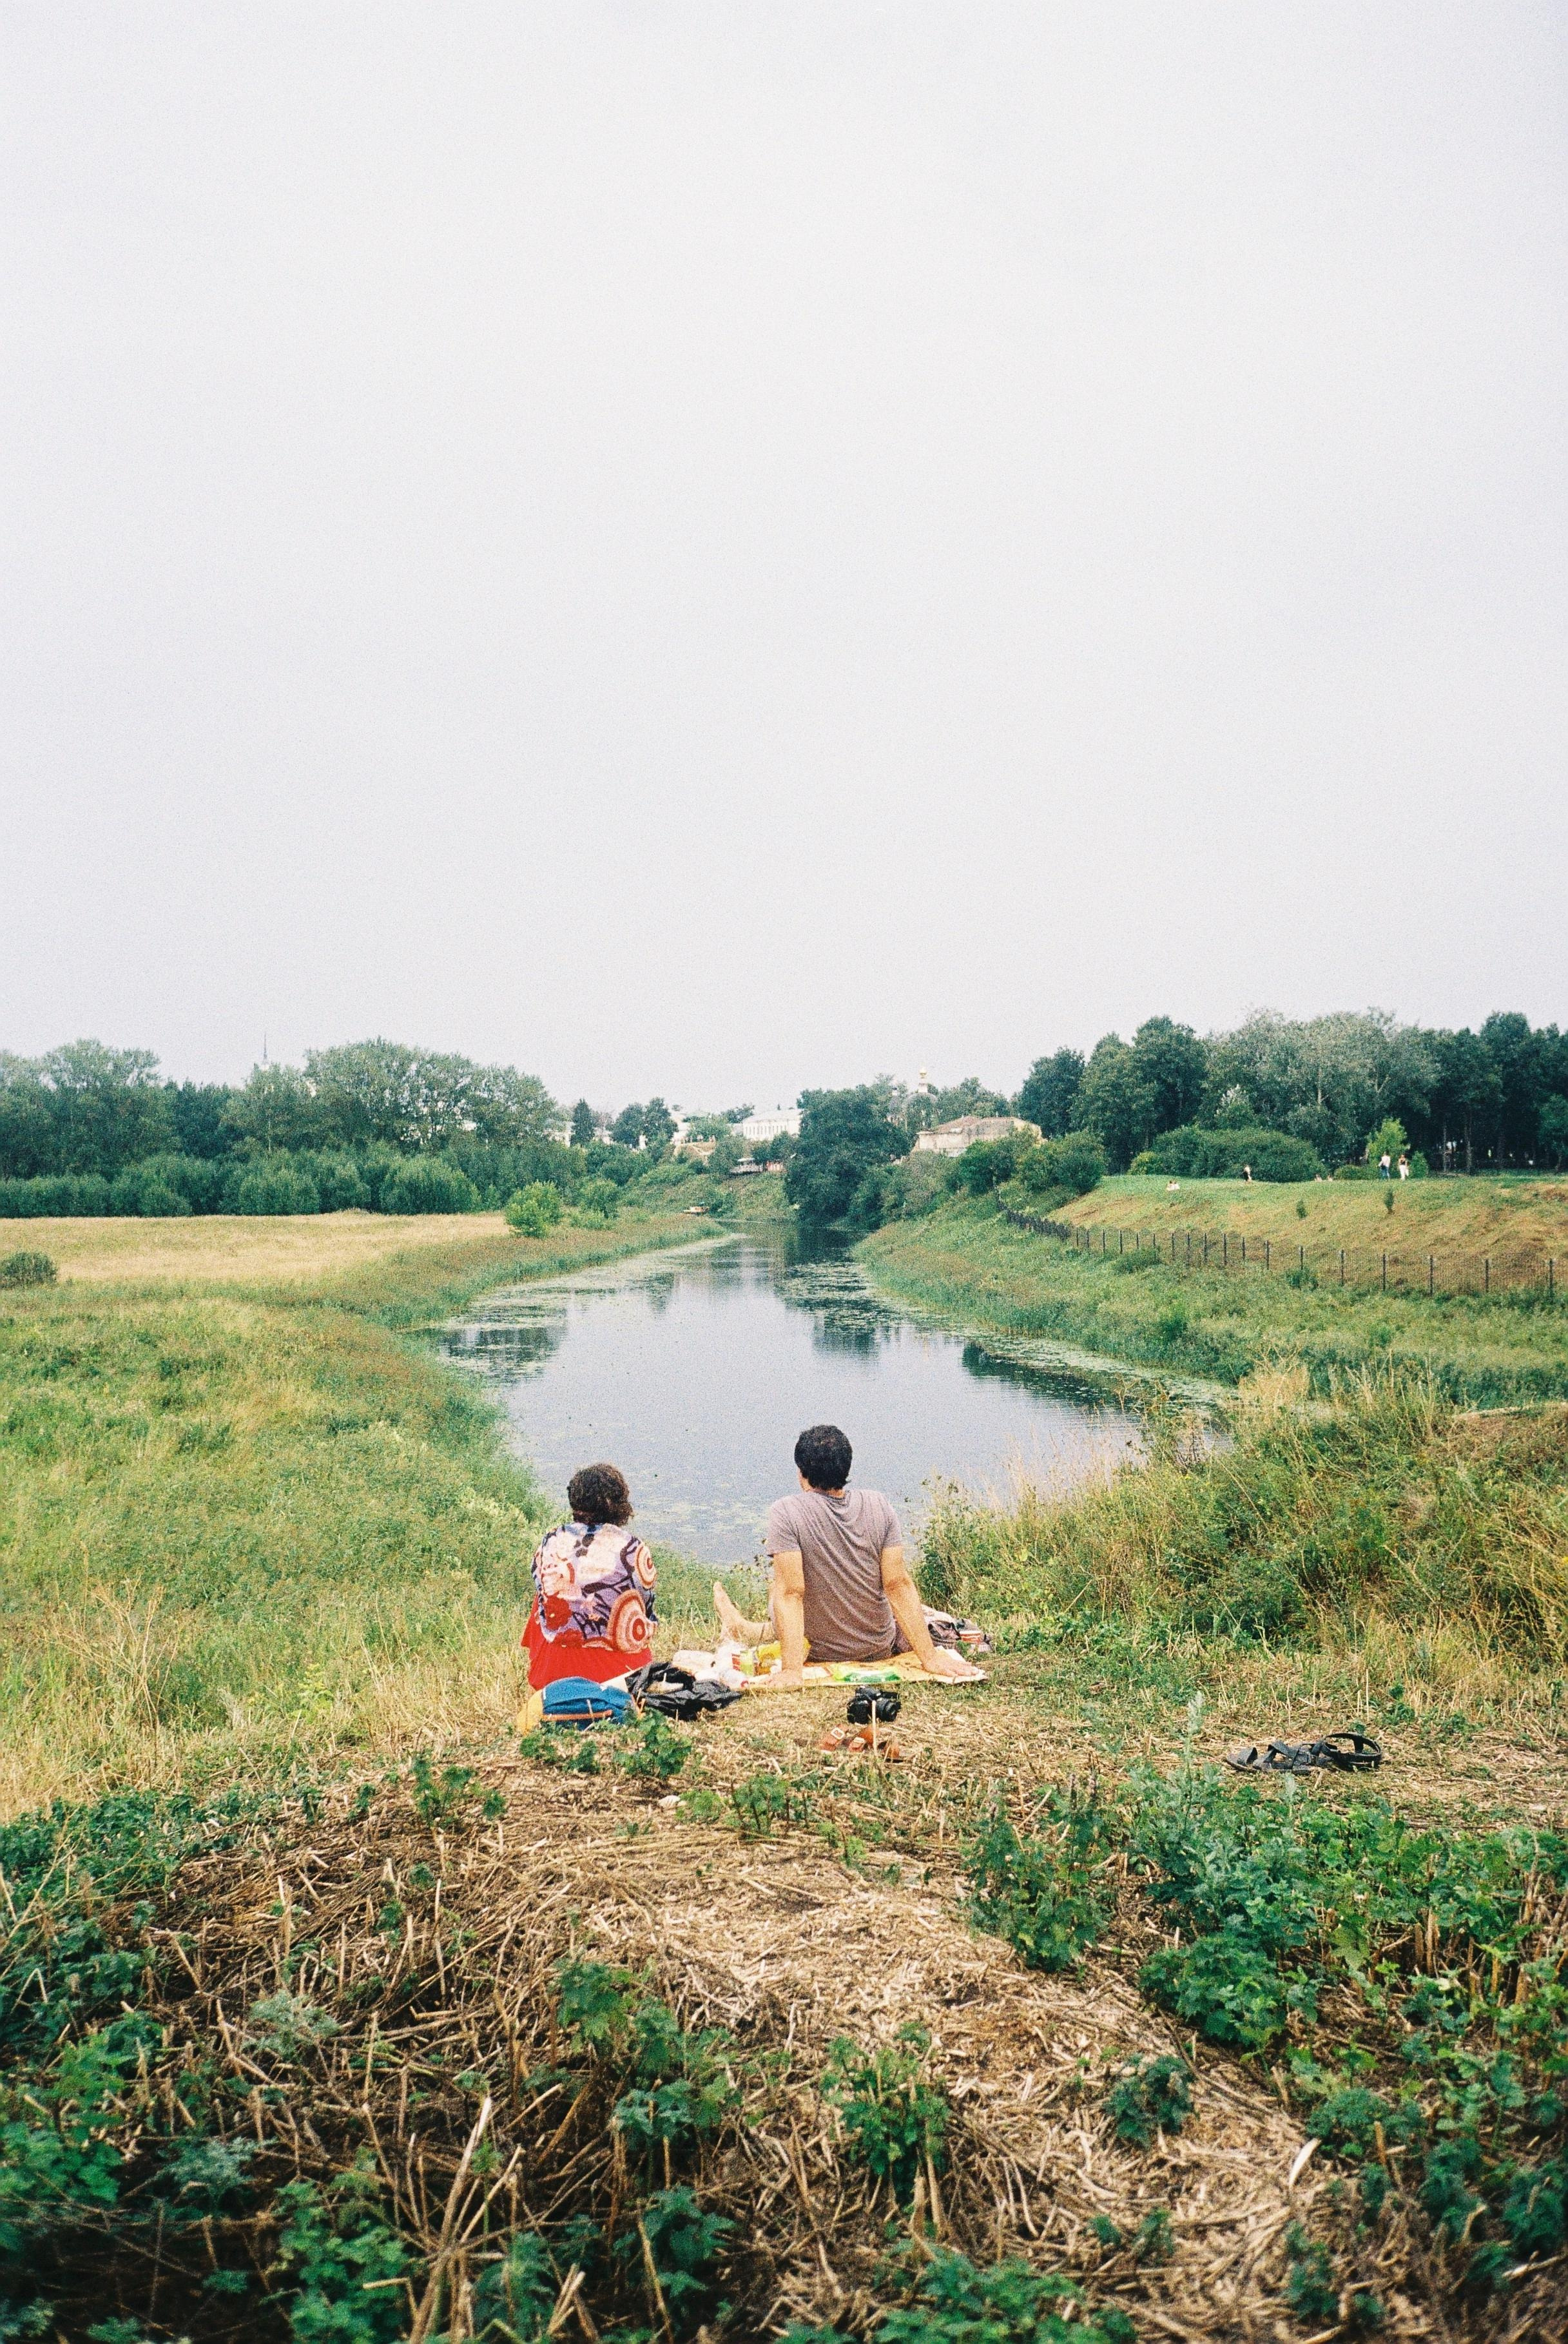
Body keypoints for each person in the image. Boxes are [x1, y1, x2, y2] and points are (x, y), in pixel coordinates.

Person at [714, 1424, 982, 1688]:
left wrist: (792, 1671)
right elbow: (897, 1585)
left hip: (817, 1651)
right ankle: (748, 1630)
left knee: (779, 1588)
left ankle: (748, 1631)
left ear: (801, 1472)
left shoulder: (786, 1512)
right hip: (877, 1647)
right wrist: (930, 1658)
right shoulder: (879, 1505)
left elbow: (791, 1593)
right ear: (847, 1467)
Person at [522, 1462, 657, 1689]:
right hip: (620, 1677)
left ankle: (548, 1666)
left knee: (546, 1594)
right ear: (619, 1505)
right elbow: (647, 1610)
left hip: (553, 1674)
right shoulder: (634, 1549)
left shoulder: (552, 1540)